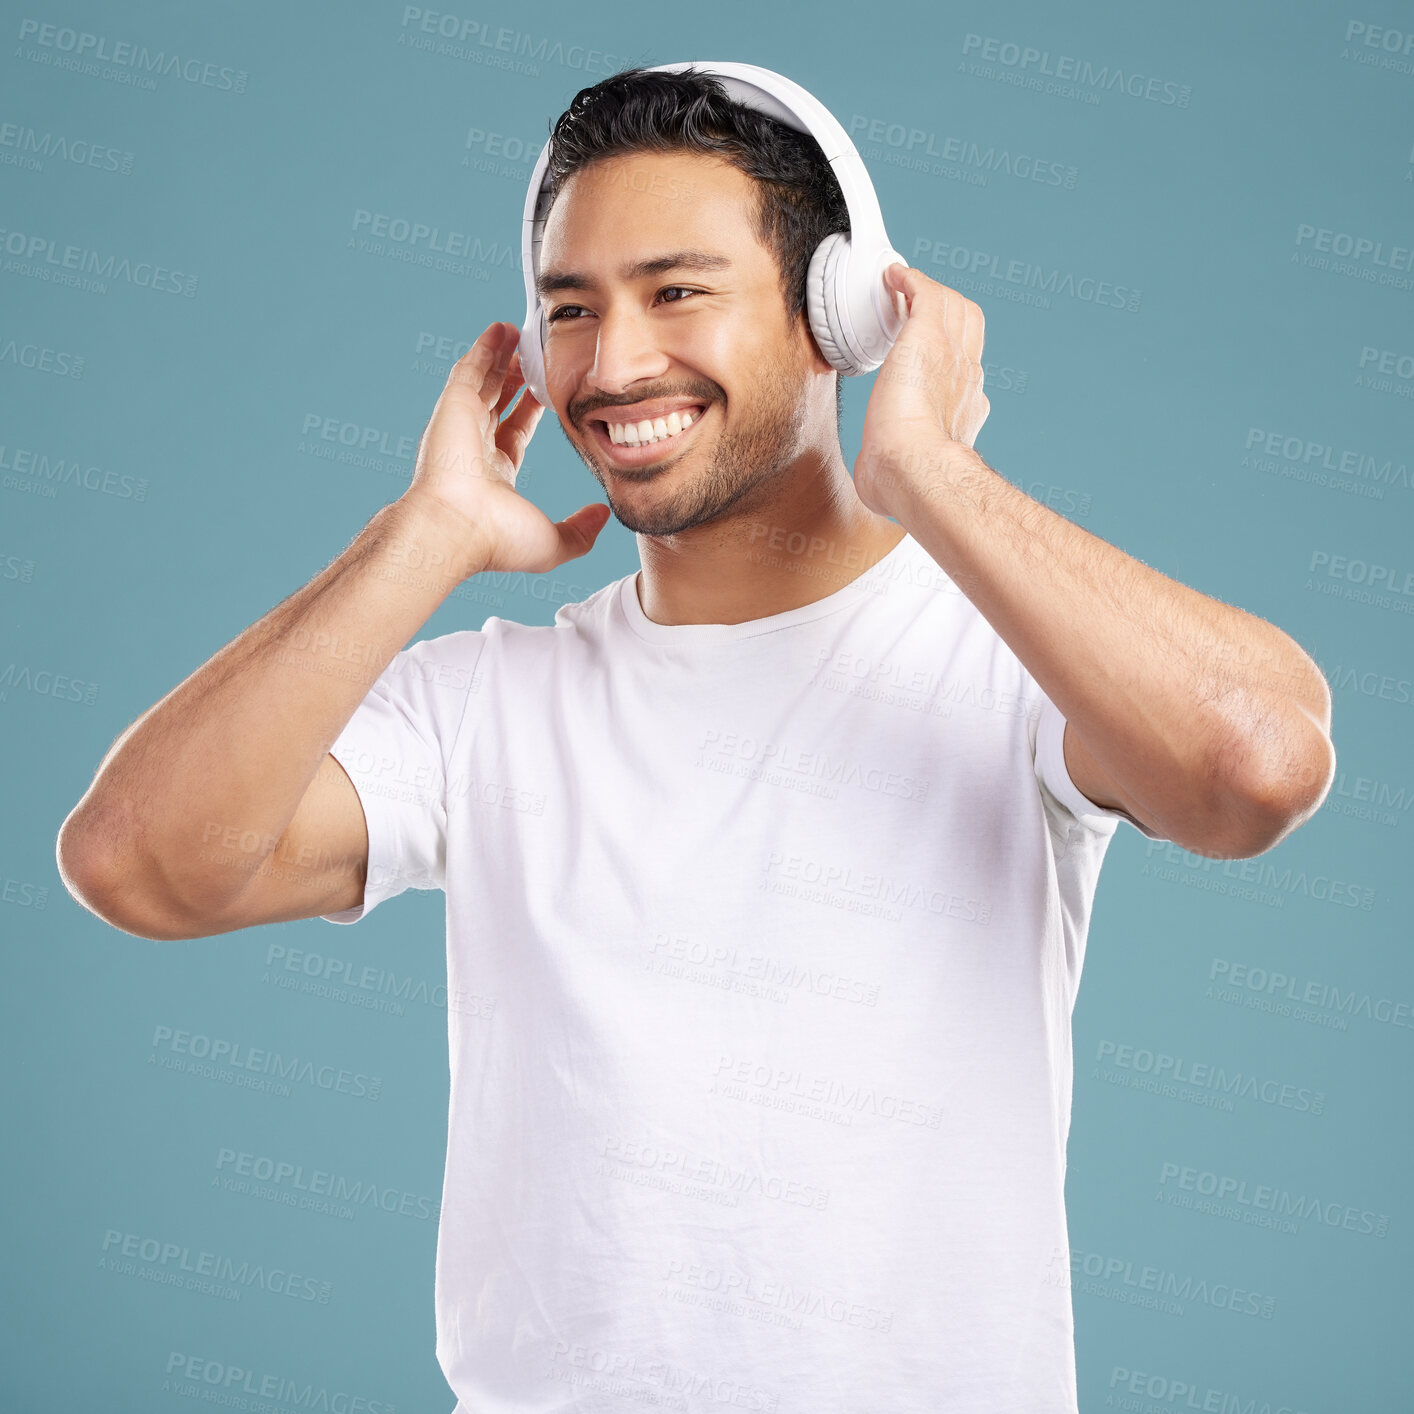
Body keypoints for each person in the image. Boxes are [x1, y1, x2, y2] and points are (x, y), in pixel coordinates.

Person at [57, 65, 1334, 1414]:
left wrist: (930, 474)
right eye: (570, 309)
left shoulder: (1008, 660)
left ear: (835, 312)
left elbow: (1255, 768)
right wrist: (421, 536)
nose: (611, 366)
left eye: (676, 292)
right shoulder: (486, 704)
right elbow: (140, 862)